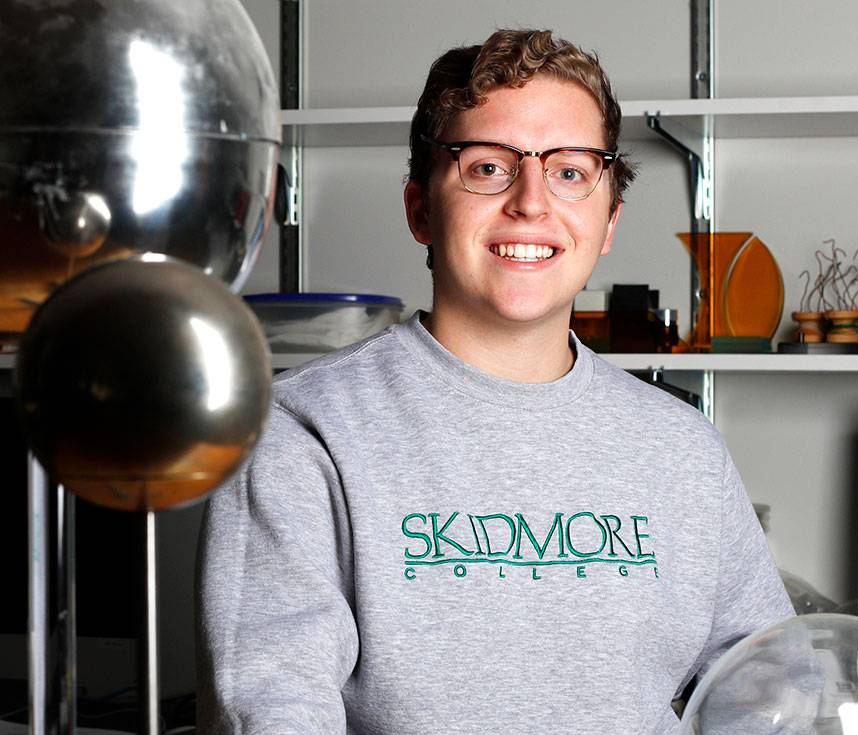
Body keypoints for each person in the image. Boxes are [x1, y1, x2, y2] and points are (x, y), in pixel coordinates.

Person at [196, 28, 794, 734]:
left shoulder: (684, 449)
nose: (532, 202)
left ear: (608, 222)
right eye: (487, 167)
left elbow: (768, 691)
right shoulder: (303, 433)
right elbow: (274, 705)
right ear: (421, 208)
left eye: (570, 171)